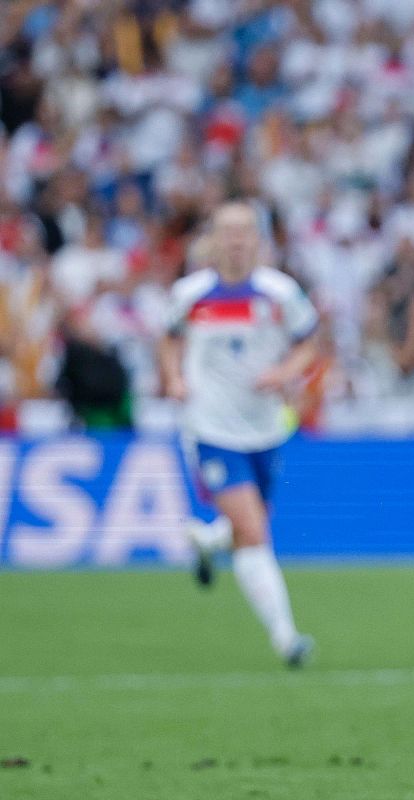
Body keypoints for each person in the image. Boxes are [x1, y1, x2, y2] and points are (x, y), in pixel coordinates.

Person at [161, 202, 320, 667]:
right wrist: (173, 377)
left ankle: (210, 543)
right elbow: (168, 338)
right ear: (212, 239)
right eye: (226, 231)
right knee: (253, 531)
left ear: (258, 239)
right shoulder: (190, 294)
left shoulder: (280, 292)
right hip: (209, 427)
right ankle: (286, 638)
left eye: (244, 231)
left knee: (246, 524)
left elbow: (310, 342)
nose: (236, 240)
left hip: (265, 429)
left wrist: (285, 372)